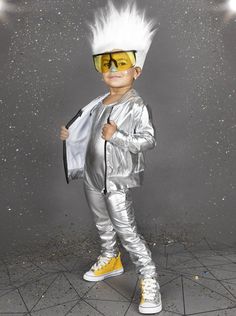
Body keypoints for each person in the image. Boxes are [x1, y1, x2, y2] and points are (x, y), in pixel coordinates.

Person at [60, 1, 162, 314]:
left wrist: (115, 136)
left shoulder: (136, 105)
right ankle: (110, 258)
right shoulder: (99, 102)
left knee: (127, 231)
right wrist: (70, 135)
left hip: (115, 180)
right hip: (92, 175)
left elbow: (148, 140)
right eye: (106, 65)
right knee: (103, 225)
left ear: (137, 70)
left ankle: (150, 278)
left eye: (120, 64)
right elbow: (88, 131)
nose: (113, 71)